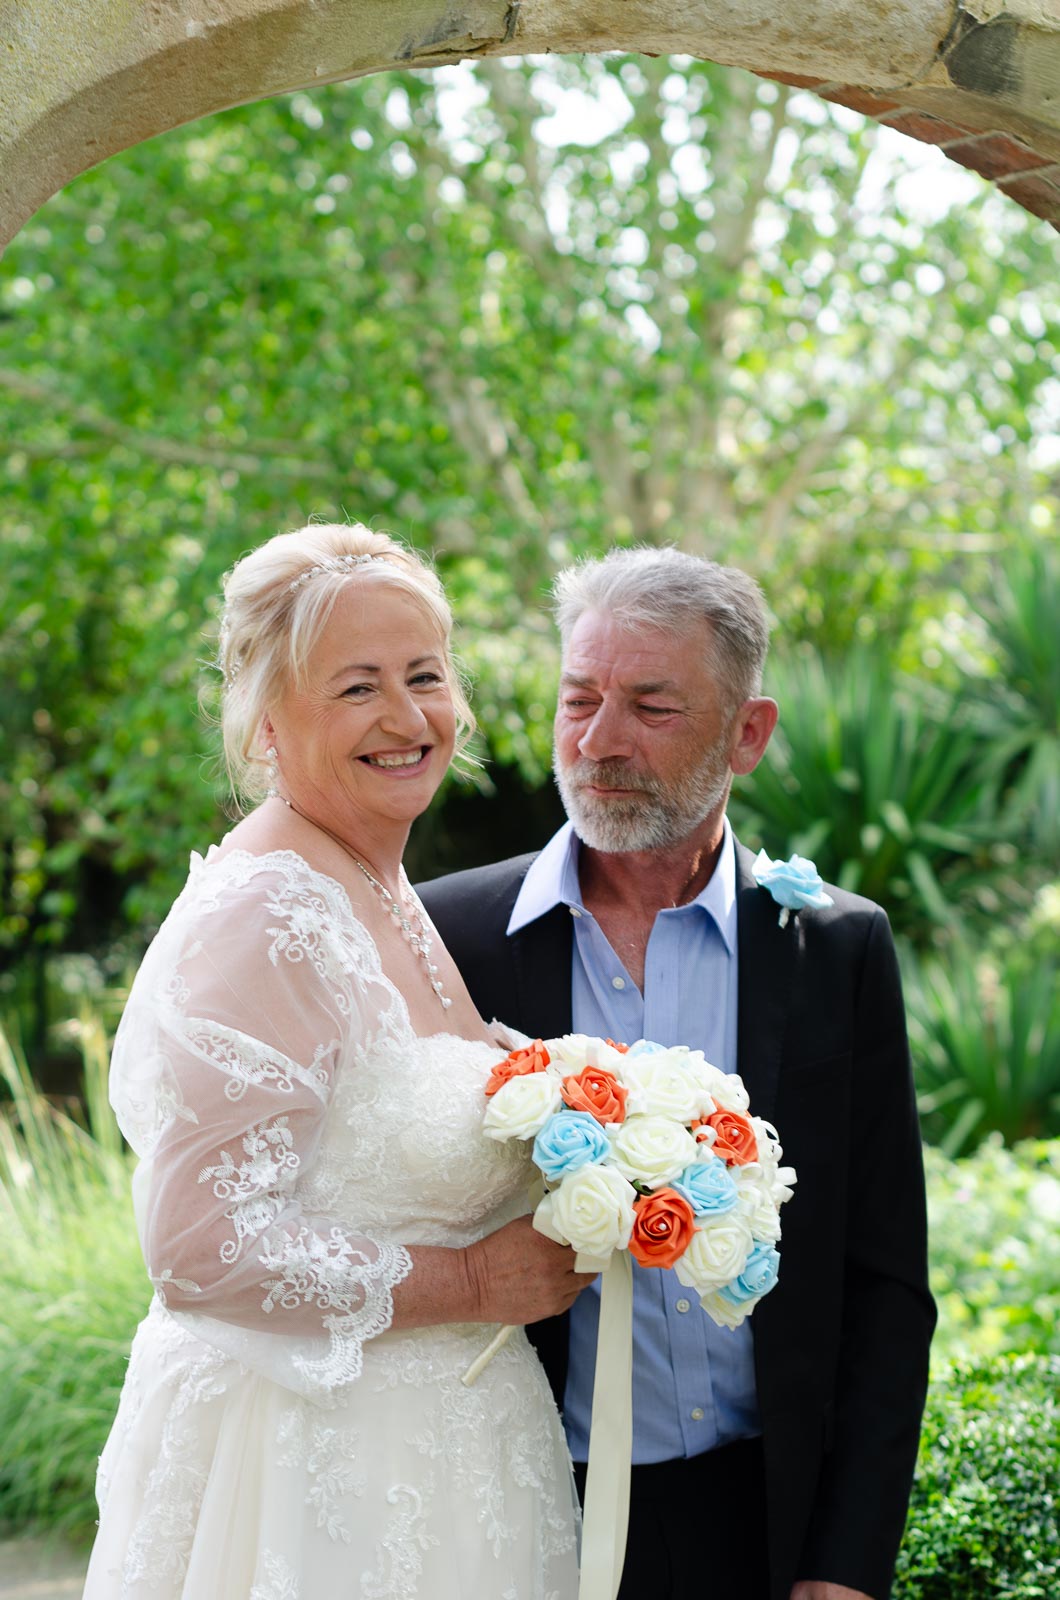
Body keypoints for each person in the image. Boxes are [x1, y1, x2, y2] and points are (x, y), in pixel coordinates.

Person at [419, 546, 936, 1600]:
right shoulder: (445, 934)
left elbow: (885, 1285)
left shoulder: (835, 948)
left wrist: (844, 1567)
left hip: (763, 1519)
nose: (597, 741)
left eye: (651, 706)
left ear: (748, 732)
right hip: (519, 1512)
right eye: (578, 698)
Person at [82, 523, 588, 1600]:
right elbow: (197, 1244)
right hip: (314, 1481)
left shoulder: (375, 881)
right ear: (268, 725)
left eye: (424, 675)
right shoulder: (268, 908)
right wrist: (467, 1278)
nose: (408, 719)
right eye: (357, 687)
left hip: (451, 1459)